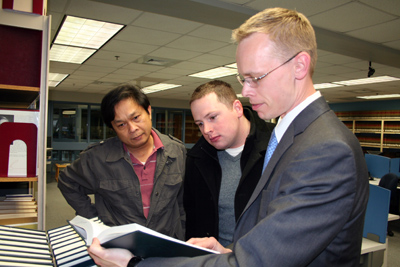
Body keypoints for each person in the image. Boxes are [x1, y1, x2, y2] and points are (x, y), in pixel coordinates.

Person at [87, 7, 369, 267]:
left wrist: (134, 264)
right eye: (242, 80)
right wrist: (231, 251)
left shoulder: (325, 149)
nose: (245, 92)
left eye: (255, 78)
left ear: (299, 66)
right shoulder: (294, 137)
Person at [58, 84, 186, 240]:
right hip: (119, 244)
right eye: (121, 124)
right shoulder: (97, 158)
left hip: (168, 243)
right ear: (113, 127)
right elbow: (67, 181)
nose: (132, 128)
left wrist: (183, 230)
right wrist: (92, 219)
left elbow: (182, 201)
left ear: (149, 112)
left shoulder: (177, 151)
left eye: (136, 118)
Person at [184, 80, 274, 247]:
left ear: (237, 108)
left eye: (212, 117)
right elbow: (193, 221)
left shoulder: (276, 146)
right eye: (200, 124)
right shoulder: (197, 159)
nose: (206, 130)